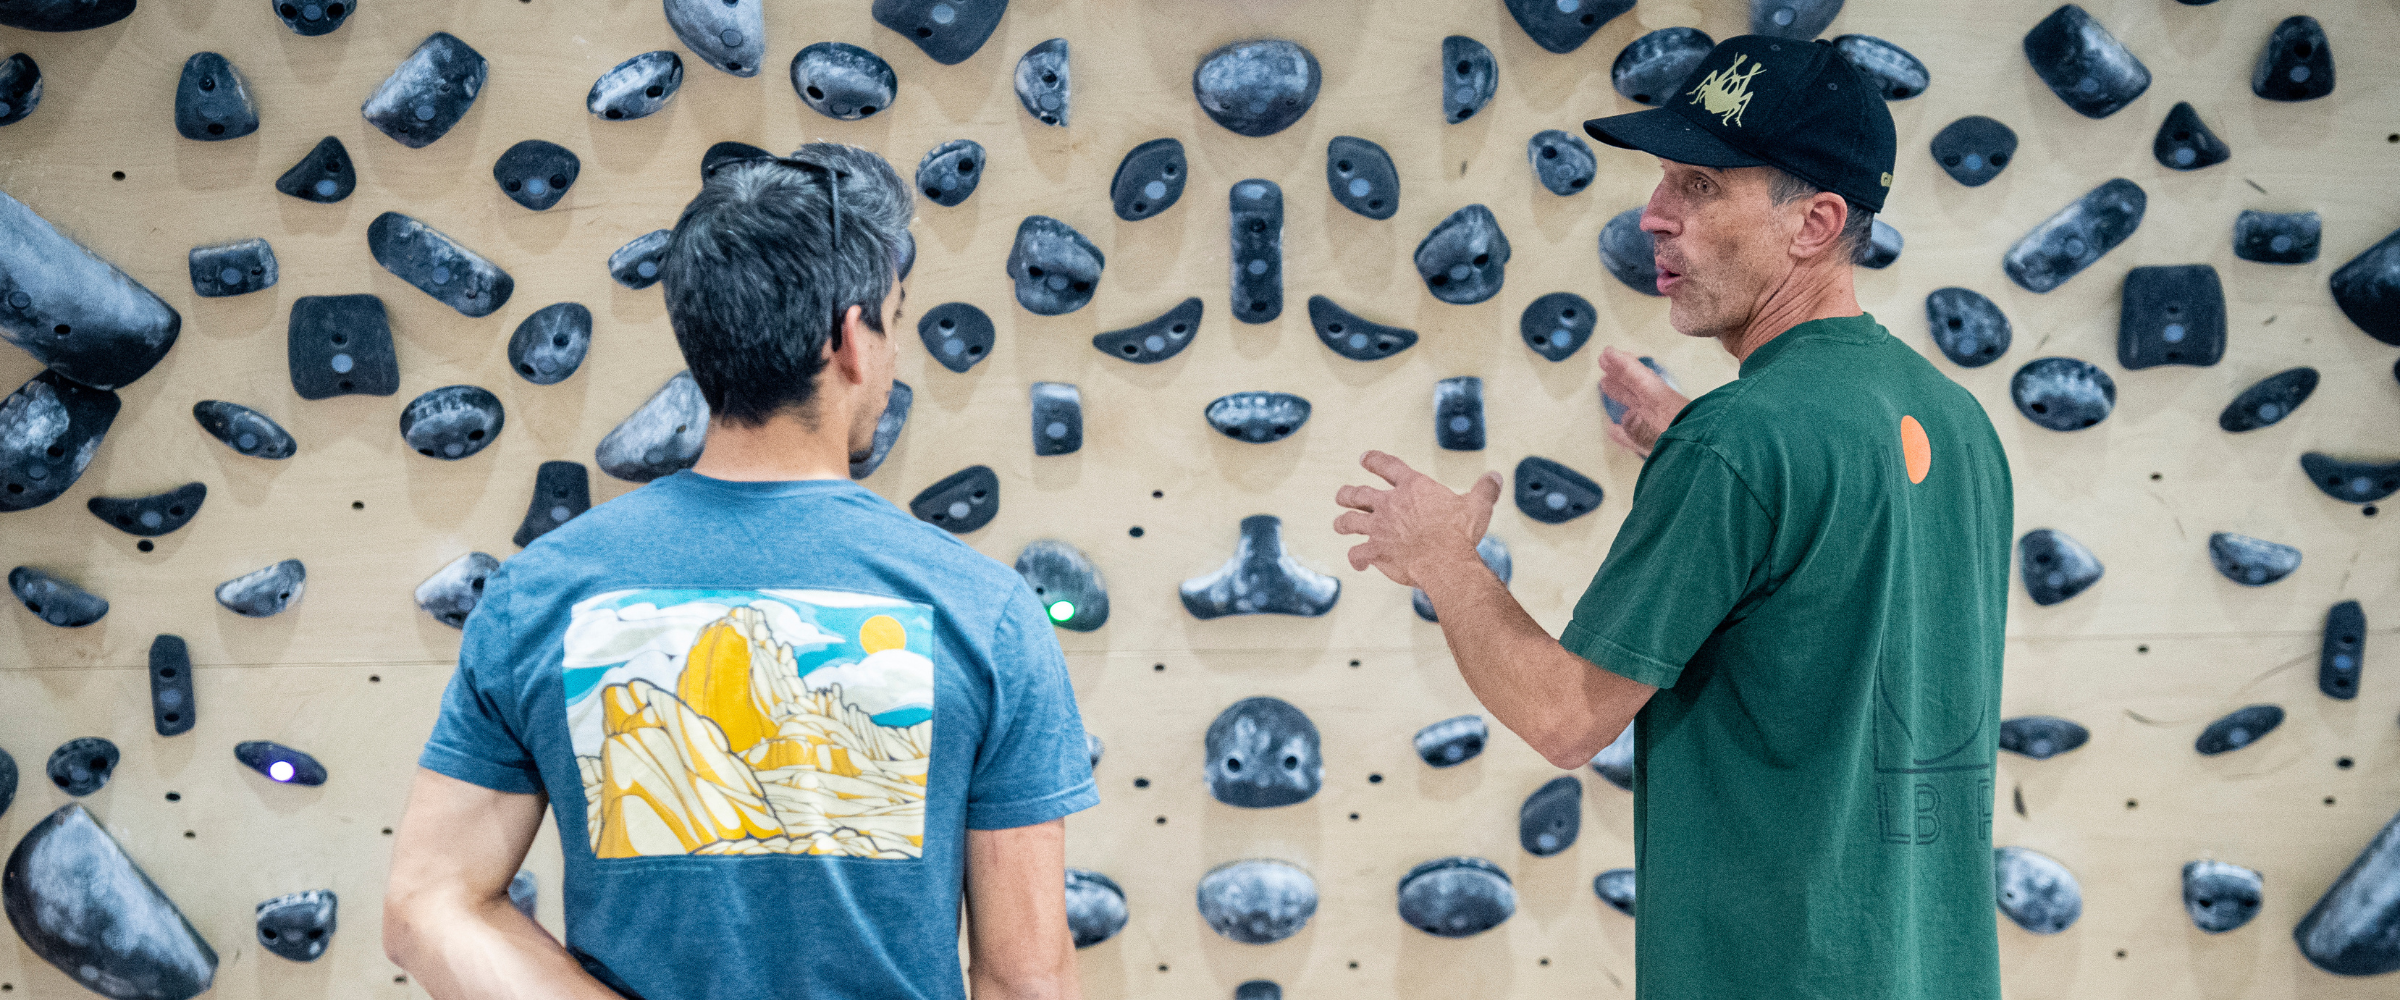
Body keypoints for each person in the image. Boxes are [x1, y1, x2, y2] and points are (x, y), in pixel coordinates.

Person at [1332, 36, 2010, 999]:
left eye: (1698, 186)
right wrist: (1700, 445)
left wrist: (1446, 559)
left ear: (1815, 221)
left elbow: (1565, 717)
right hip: (1927, 969)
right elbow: (1826, 576)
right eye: (1663, 183)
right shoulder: (1952, 417)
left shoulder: (1741, 445)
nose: (1653, 217)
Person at [383, 142, 1098, 1000]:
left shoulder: (543, 592)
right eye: (895, 320)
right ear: (851, 339)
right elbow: (1024, 981)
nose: (895, 356)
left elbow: (429, 905)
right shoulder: (987, 613)